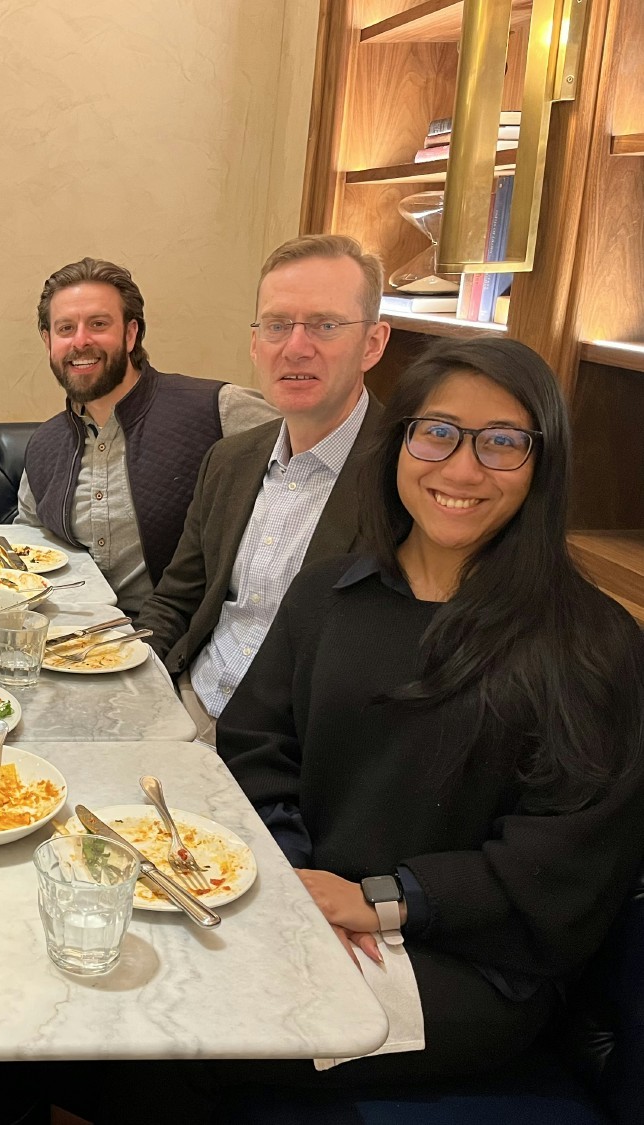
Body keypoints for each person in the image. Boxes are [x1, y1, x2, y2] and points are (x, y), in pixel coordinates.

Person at [217, 337, 644, 1084]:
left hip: (468, 965)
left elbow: (563, 861)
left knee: (197, 1043)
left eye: (503, 442)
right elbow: (255, 746)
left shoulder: (591, 643)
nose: (462, 468)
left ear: (544, 464)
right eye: (438, 432)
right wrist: (296, 881)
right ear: (400, 442)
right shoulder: (326, 594)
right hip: (306, 906)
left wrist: (382, 902)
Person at [134, 234, 392, 740]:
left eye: (326, 325)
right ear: (256, 344)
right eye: (277, 326)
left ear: (373, 344)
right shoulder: (230, 460)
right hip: (189, 700)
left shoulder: (404, 477)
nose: (296, 347)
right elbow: (176, 601)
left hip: (292, 744)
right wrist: (128, 679)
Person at [17, 256, 279, 621]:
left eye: (98, 324)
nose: (80, 341)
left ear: (130, 334)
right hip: (69, 641)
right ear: (48, 341)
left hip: (181, 643)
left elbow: (318, 458)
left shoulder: (217, 409)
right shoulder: (44, 445)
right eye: (65, 329)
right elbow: (27, 544)